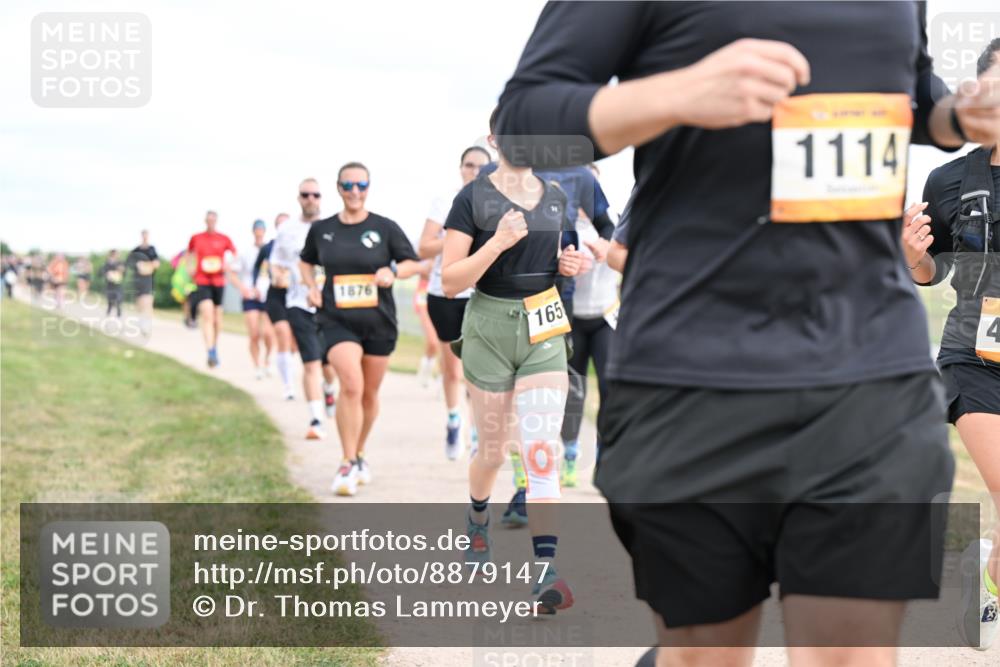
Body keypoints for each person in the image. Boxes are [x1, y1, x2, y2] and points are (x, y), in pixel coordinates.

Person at [494, 2, 1000, 663]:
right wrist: (678, 93)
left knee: (853, 655)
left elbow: (907, 85)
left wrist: (954, 117)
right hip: (695, 369)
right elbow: (526, 132)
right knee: (708, 653)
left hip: (872, 366)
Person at [441, 115, 584, 613]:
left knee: (540, 450)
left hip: (543, 326)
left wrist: (570, 266)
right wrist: (497, 242)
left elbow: (561, 257)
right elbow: (451, 280)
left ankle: (547, 571)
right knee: (495, 452)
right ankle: (478, 517)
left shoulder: (556, 195)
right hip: (489, 327)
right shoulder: (472, 199)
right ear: (494, 141)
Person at [902, 38, 1000, 652]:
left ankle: (985, 582)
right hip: (974, 359)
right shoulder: (950, 179)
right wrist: (913, 255)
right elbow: (929, 272)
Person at [300, 162, 424, 496]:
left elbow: (414, 263)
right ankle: (345, 460)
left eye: (361, 185)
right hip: (336, 320)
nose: (354, 191)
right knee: (351, 386)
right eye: (348, 185)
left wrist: (393, 272)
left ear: (369, 187)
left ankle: (358, 452)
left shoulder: (384, 227)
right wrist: (311, 286)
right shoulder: (323, 229)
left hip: (378, 323)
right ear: (338, 188)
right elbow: (306, 261)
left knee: (369, 394)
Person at [418, 145, 492, 460]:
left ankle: (477, 432)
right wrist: (456, 236)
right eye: (469, 165)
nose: (474, 171)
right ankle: (453, 420)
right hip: (445, 294)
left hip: (482, 294)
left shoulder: (496, 203)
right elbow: (423, 247)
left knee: (480, 371)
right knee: (453, 369)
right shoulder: (444, 200)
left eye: (480, 166)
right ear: (460, 168)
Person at [559, 164, 620, 488]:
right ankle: (570, 453)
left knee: (609, 389)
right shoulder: (560, 224)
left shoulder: (615, 225)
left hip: (605, 317)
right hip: (572, 320)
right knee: (573, 390)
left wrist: (607, 252)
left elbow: (631, 259)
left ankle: (604, 458)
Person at [272, 180, 328, 439]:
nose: (310, 199)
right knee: (311, 362)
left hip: (330, 305)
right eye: (306, 194)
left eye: (315, 194)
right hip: (299, 302)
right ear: (299, 198)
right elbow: (277, 263)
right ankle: (316, 418)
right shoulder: (287, 230)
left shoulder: (331, 227)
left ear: (321, 198)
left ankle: (328, 391)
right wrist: (278, 276)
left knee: (331, 364)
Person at [187, 210, 238, 368]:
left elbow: (235, 254)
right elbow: (189, 254)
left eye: (213, 220)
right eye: (208, 220)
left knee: (217, 319)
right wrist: (190, 268)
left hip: (219, 280)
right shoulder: (196, 238)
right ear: (205, 221)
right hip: (202, 279)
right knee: (207, 314)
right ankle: (209, 350)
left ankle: (214, 347)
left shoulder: (223, 238)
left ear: (216, 221)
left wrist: (227, 264)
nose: (211, 222)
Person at [232, 219, 276, 379]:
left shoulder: (271, 250)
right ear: (253, 231)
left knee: (269, 334)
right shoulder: (245, 251)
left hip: (267, 295)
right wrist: (242, 288)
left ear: (264, 231)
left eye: (261, 229)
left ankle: (267, 360)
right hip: (250, 295)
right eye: (256, 229)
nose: (259, 231)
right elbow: (232, 272)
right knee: (254, 333)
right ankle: (257, 365)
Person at [127, 230, 160, 334]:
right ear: (141, 236)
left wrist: (150, 265)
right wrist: (138, 265)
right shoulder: (136, 250)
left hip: (149, 280)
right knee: (140, 302)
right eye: (143, 235)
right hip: (138, 280)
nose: (145, 237)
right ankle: (142, 320)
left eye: (146, 235)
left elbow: (157, 263)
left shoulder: (152, 249)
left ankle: (147, 323)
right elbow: (129, 263)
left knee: (148, 301)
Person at [412, 268, 439, 387]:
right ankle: (425, 371)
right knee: (433, 341)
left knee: (447, 343)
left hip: (443, 294)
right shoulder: (425, 249)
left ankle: (443, 380)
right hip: (424, 294)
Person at [102, 249, 125, 318]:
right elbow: (103, 271)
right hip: (110, 284)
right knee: (110, 300)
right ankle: (108, 312)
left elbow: (123, 271)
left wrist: (120, 270)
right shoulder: (107, 263)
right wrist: (108, 274)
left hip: (118, 285)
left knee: (118, 299)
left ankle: (119, 314)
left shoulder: (120, 263)